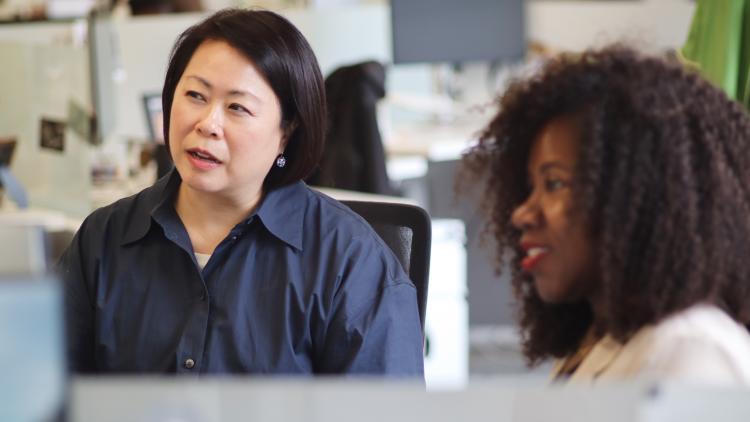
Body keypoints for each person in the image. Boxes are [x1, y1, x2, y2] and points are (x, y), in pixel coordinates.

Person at [59, 8, 424, 376]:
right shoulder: (102, 241)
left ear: (287, 132)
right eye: (195, 95)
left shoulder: (352, 264)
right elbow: (41, 393)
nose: (207, 124)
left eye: (237, 107)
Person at [461, 45, 750, 384]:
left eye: (554, 184)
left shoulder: (691, 354)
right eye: (529, 187)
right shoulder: (601, 341)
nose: (522, 214)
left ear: (636, 195)